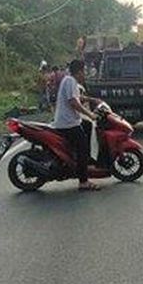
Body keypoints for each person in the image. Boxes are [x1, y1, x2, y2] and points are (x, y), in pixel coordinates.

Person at [53, 60, 100, 191]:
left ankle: (86, 159)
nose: (84, 74)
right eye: (83, 71)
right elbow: (73, 102)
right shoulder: (70, 81)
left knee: (87, 126)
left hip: (71, 121)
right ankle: (83, 182)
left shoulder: (70, 81)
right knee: (82, 145)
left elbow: (79, 98)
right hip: (67, 124)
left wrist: (93, 100)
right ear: (79, 72)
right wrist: (90, 114)